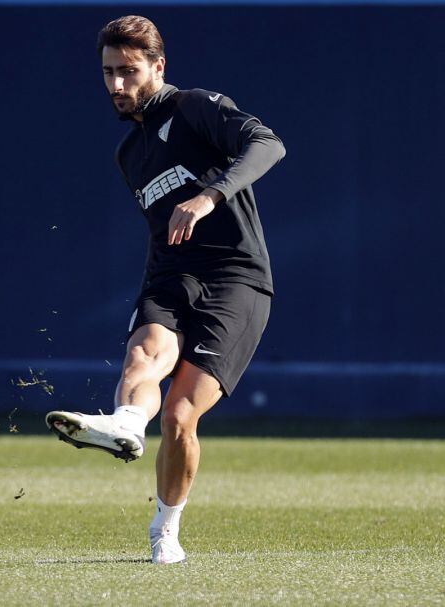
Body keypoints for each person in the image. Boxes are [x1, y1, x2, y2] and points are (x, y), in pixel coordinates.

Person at [45, 15, 285, 565]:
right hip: (172, 275)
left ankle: (165, 531)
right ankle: (126, 426)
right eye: (107, 72)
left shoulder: (193, 108)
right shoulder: (129, 156)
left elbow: (269, 144)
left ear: (158, 66)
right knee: (144, 356)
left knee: (179, 416)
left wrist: (209, 197)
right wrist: (151, 296)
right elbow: (161, 233)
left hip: (237, 279)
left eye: (128, 71)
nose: (116, 85)